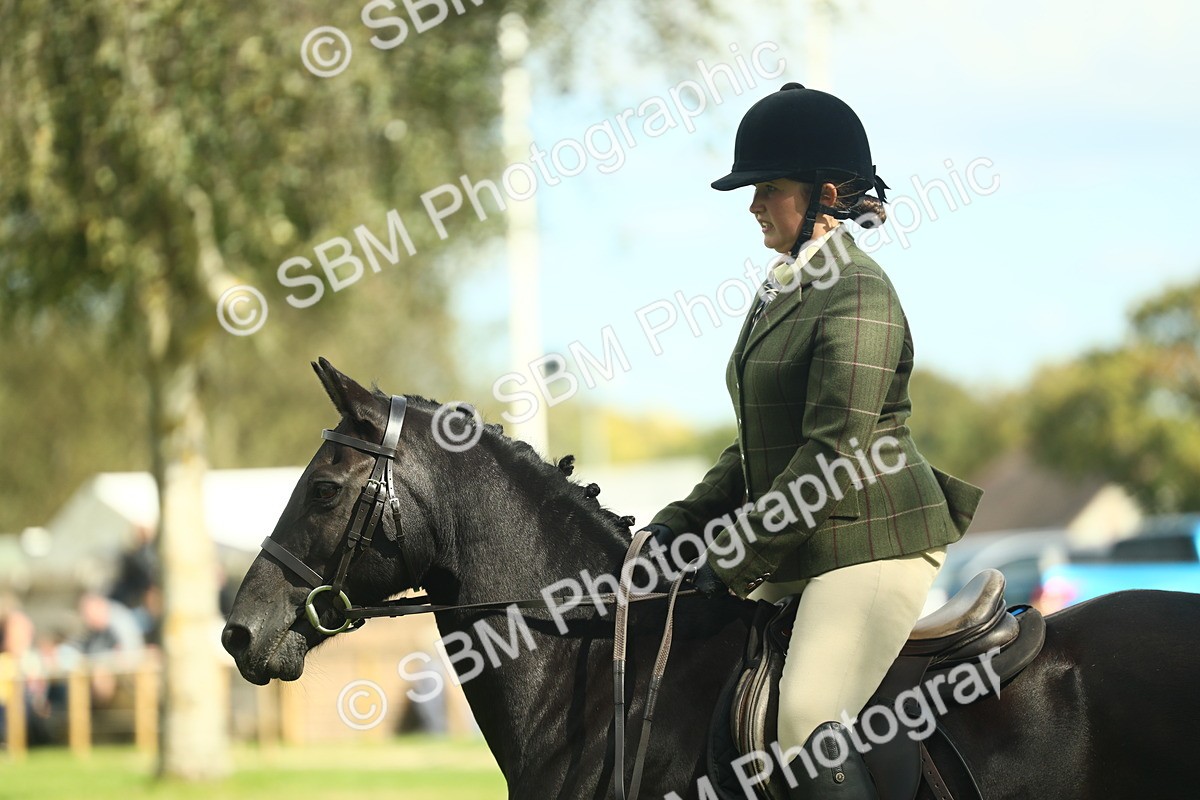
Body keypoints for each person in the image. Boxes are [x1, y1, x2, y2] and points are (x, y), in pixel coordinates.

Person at [641, 83, 983, 800]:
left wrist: (731, 556)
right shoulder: (784, 288)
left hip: (873, 538)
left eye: (768, 188)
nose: (754, 204)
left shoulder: (859, 293)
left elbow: (832, 455)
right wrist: (678, 524)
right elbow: (754, 446)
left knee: (802, 722)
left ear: (825, 195)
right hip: (810, 540)